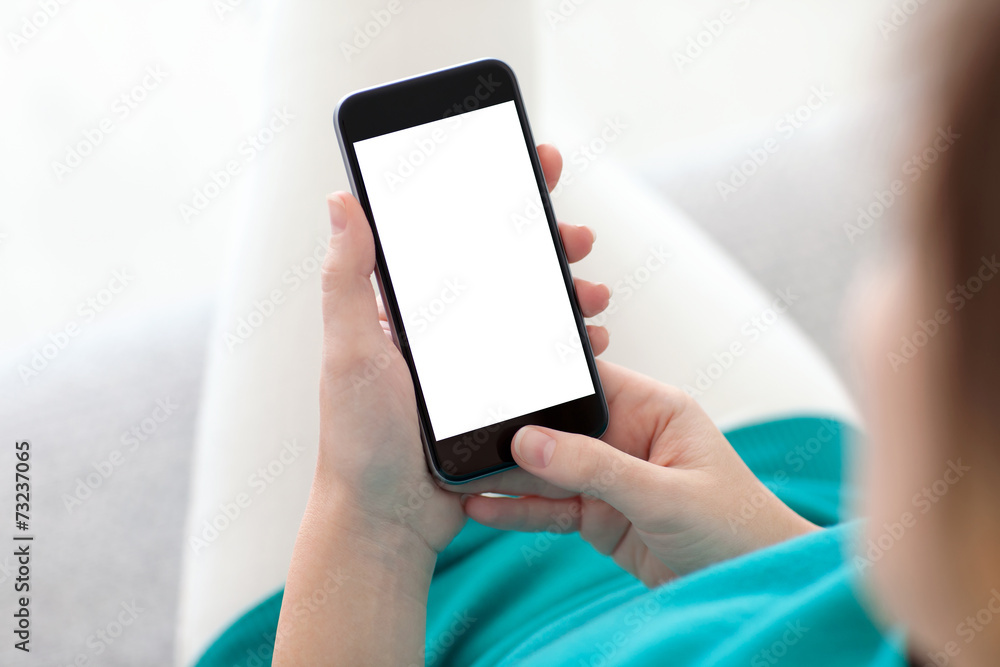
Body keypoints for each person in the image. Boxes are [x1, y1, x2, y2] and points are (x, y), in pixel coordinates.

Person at [196, 2, 1000, 665]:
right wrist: (760, 550)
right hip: (749, 496)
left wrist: (372, 525)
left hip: (403, 605)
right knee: (499, 142)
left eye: (913, 246)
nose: (875, 314)